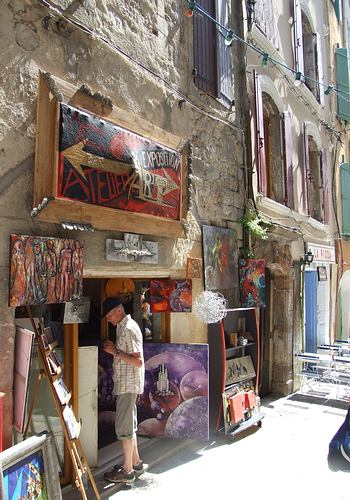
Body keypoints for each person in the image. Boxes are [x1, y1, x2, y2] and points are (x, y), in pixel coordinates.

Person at [102, 296, 146, 484]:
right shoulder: (125, 326)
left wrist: (114, 352)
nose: (107, 319)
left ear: (118, 311)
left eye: (109, 315)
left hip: (128, 384)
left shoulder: (127, 329)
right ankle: (135, 463)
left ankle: (127, 471)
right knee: (129, 423)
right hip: (128, 384)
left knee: (124, 427)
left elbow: (137, 361)